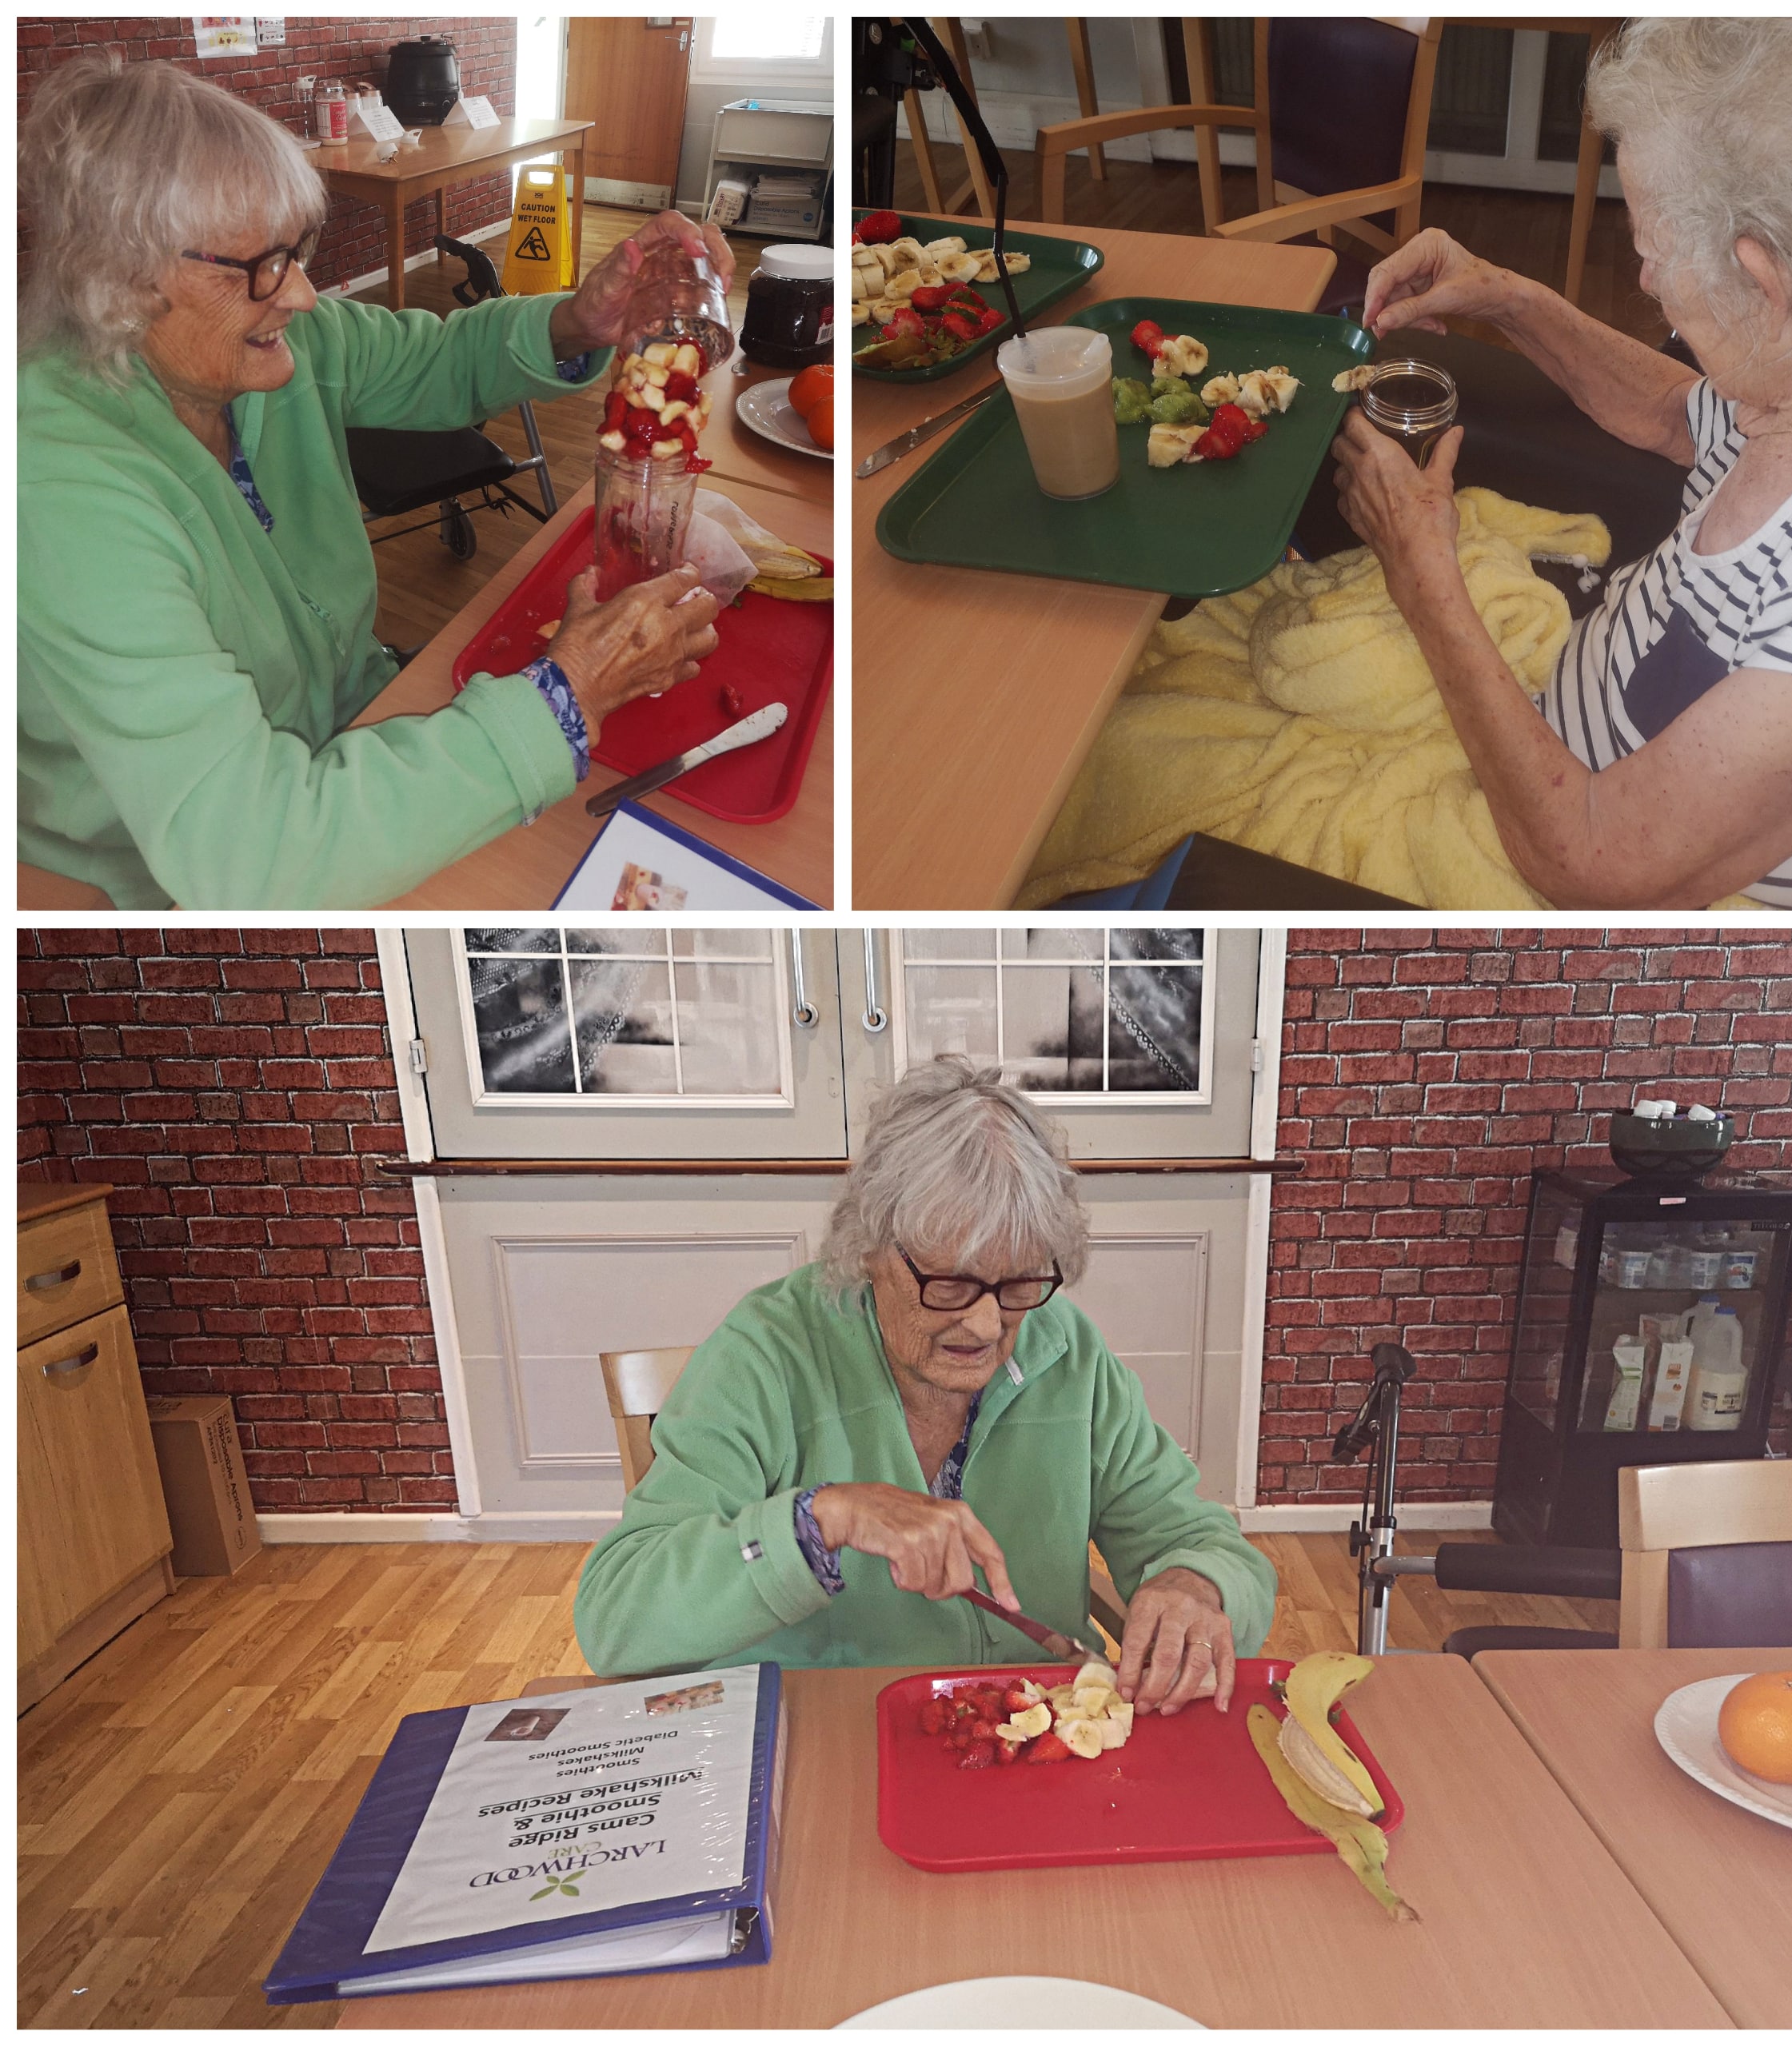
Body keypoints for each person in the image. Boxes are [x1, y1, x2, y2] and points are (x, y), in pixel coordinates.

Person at [1331, 18, 1792, 910]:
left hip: (1595, 885)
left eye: (1648, 254)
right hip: (1552, 717)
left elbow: (1594, 861)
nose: (1648, 281)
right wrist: (1510, 302)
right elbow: (1672, 412)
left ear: (1770, 288)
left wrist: (1419, 568)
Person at [18, 54, 728, 908]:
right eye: (261, 267)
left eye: (300, 252)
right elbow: (256, 851)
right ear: (121, 282)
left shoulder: (268, 348)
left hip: (354, 732)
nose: (307, 296)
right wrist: (568, 692)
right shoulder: (59, 487)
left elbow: (439, 359)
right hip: (163, 871)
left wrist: (580, 318)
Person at [577, 1061, 1276, 1717]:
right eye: (950, 1282)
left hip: (1024, 1736)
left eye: (1018, 1282)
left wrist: (1194, 1585)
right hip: (828, 1738)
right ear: (869, 1249)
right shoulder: (767, 1354)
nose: (987, 1321)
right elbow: (615, 1617)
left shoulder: (1066, 1352)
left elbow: (1200, 1540)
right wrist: (820, 1520)